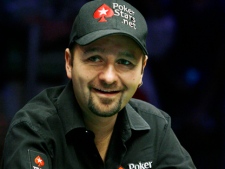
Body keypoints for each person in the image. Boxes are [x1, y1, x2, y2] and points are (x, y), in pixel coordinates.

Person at [1, 0, 196, 168]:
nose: (109, 77)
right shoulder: (33, 129)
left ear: (141, 71)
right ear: (69, 63)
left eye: (125, 62)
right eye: (95, 59)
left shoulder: (156, 126)